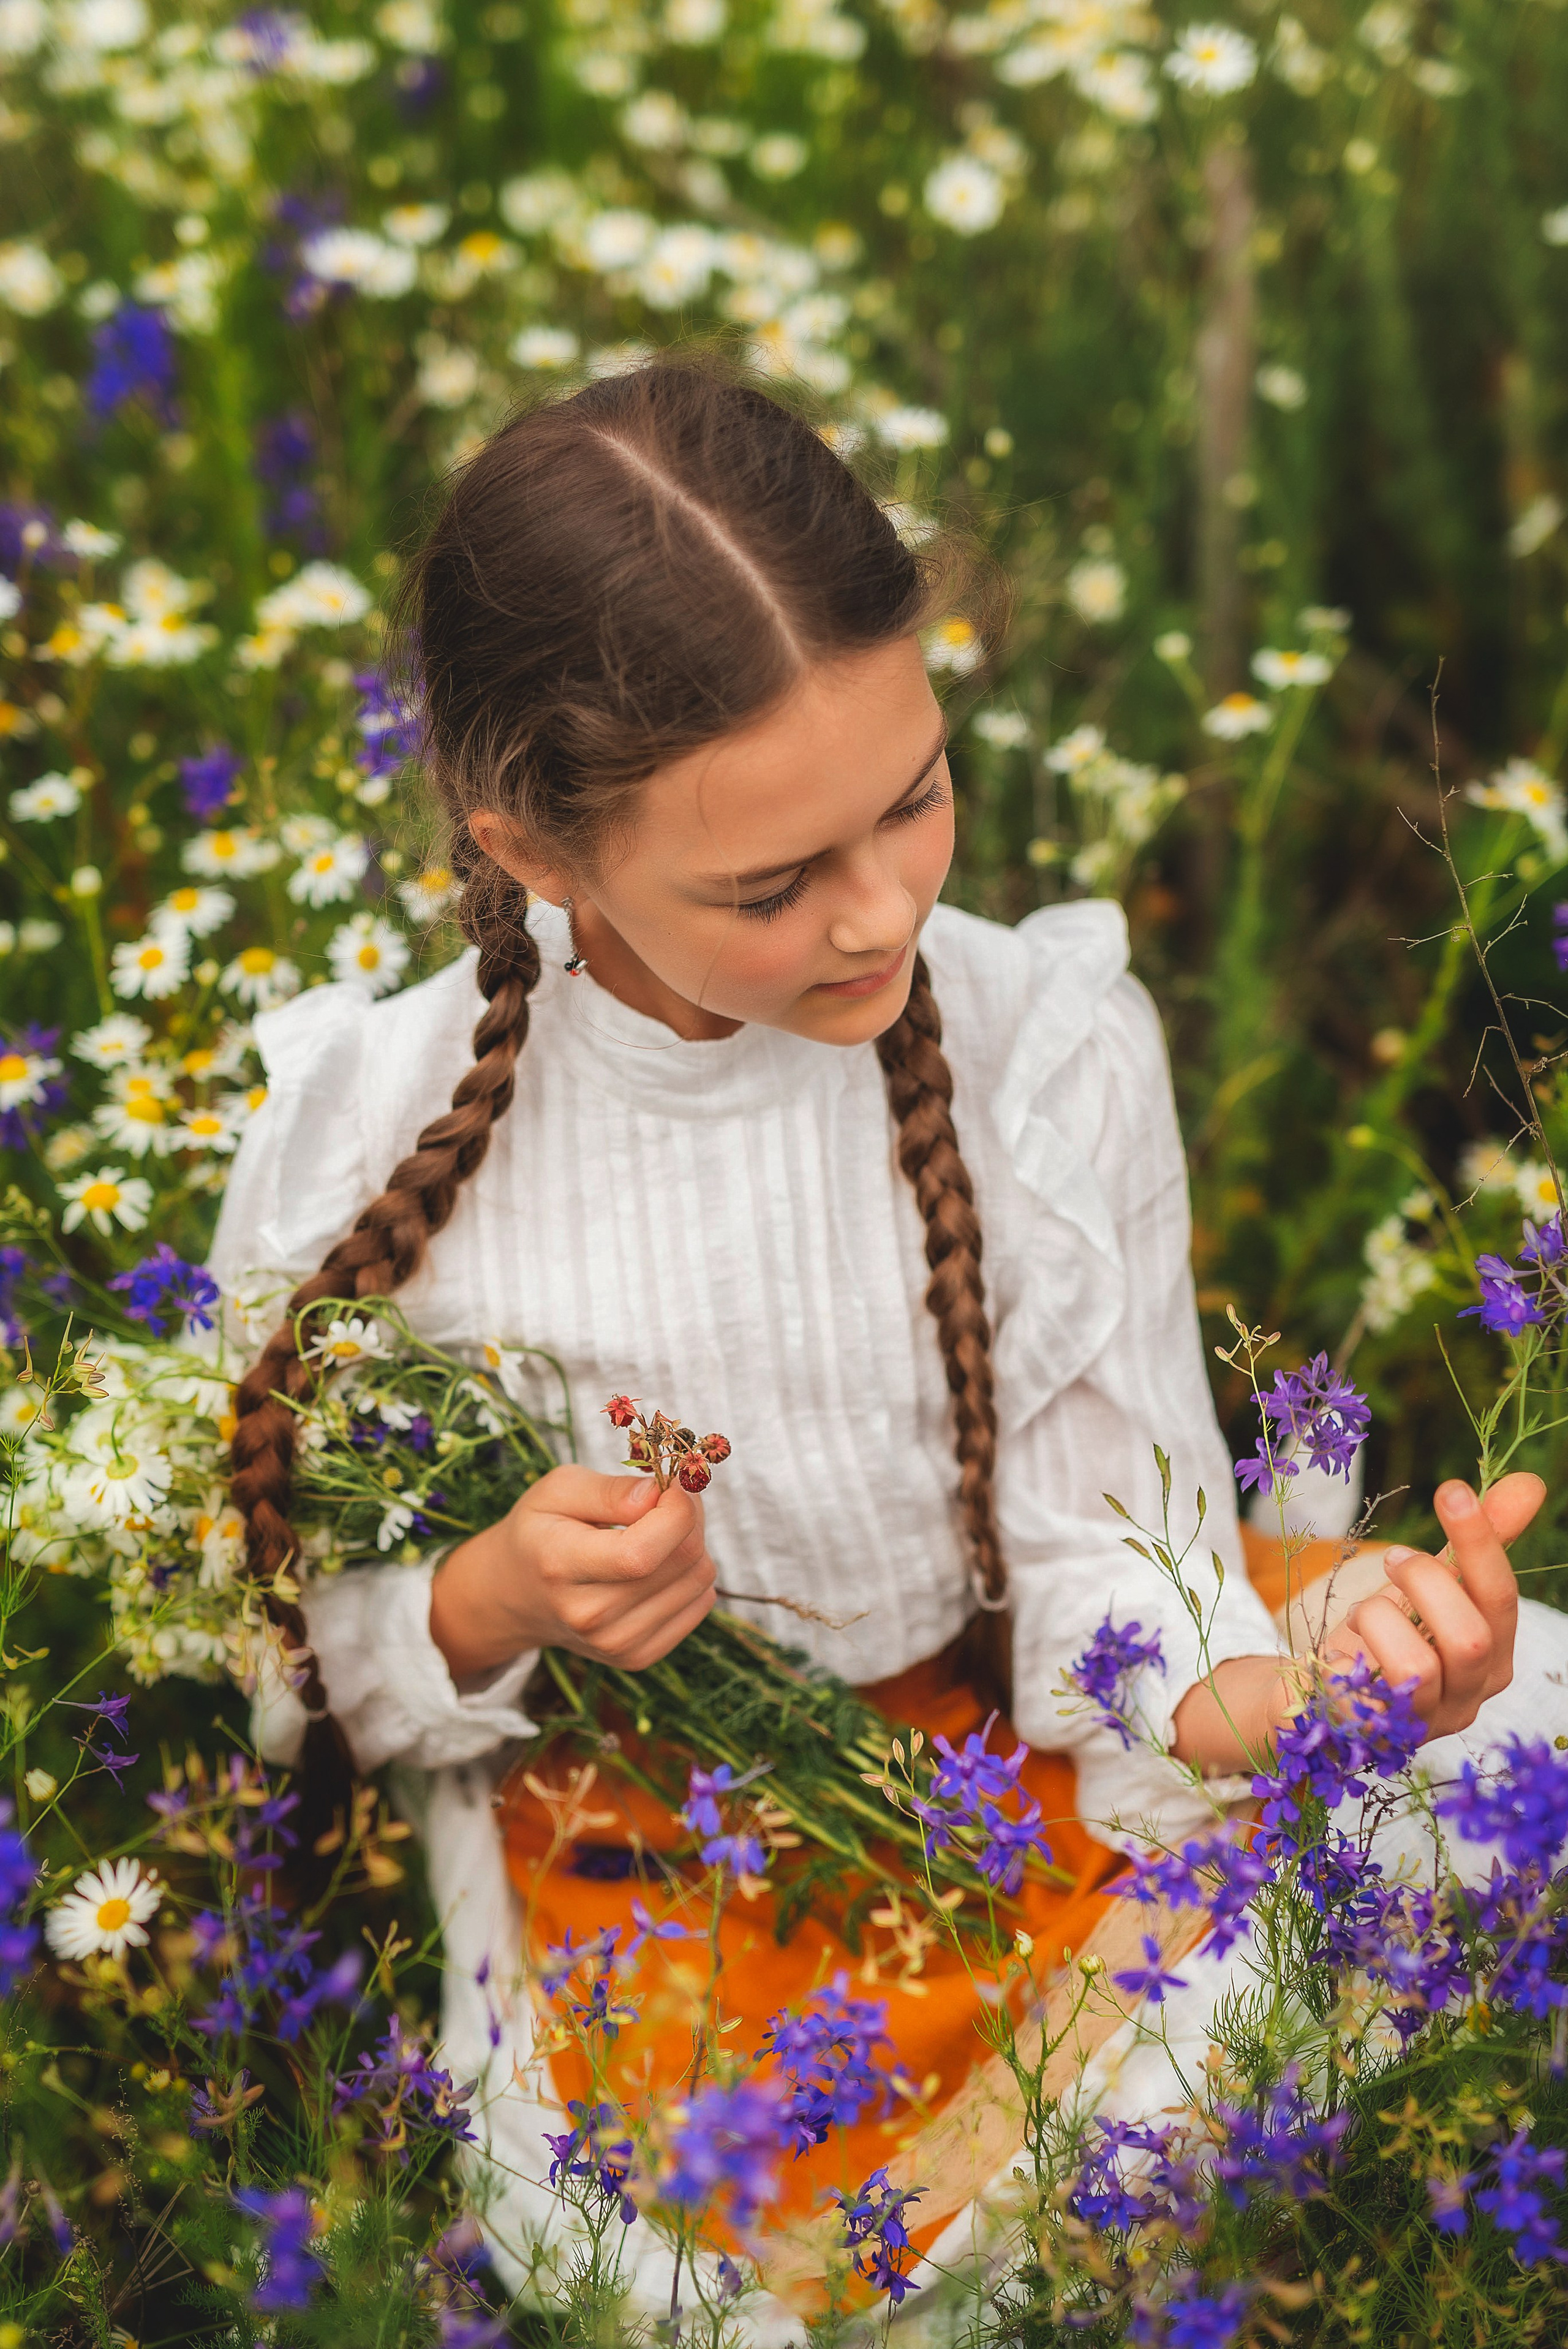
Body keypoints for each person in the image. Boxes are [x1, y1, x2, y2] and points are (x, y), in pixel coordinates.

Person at [212, 358, 1565, 2332]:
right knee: (726, 2280)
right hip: (642, 1839)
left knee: (1530, 1723)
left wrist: (1322, 1693)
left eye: (916, 793)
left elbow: (1113, 1568)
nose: (884, 910)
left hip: (1003, 1741)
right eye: (770, 884)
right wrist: (497, 1593)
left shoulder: (1038, 1044)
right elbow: (283, 1674)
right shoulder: (371, 1134)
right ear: (535, 848)